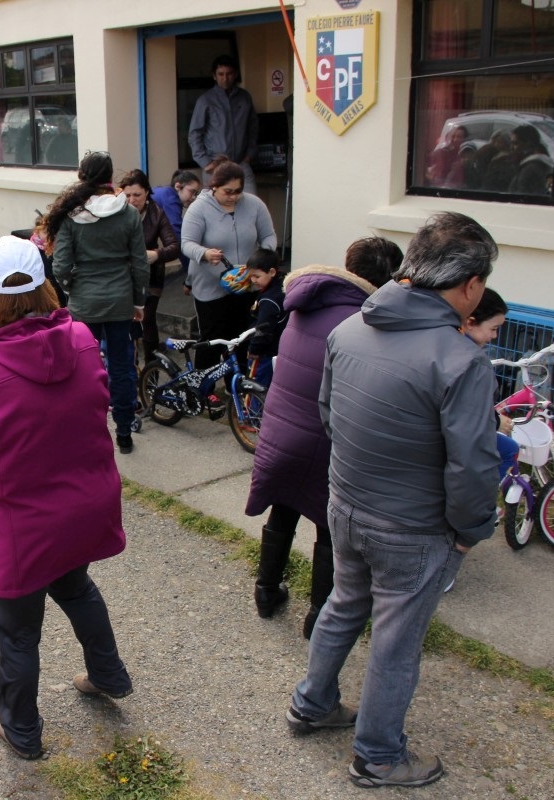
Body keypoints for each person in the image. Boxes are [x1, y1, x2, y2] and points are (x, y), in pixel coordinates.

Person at [287, 212, 500, 789]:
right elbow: (473, 466)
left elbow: (330, 415)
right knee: (396, 642)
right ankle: (378, 755)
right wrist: (471, 529)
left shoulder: (350, 328)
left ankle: (311, 703)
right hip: (413, 525)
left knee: (343, 603)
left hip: (346, 501)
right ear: (471, 285)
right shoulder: (460, 360)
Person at [0, 236, 133, 761]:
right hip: (83, 507)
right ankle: (108, 674)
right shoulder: (82, 339)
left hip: (21, 527)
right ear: (43, 286)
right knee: (77, 587)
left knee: (18, 629)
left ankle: (21, 726)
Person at [245, 236, 403, 638]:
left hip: (282, 428)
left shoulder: (307, 302)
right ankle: (318, 616)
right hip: (324, 437)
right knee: (328, 525)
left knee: (283, 507)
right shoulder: (366, 322)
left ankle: (266, 591)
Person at [44, 151, 148, 455]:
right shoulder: (128, 213)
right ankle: (124, 431)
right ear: (111, 177)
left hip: (84, 303)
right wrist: (138, 301)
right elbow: (140, 264)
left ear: (82, 176)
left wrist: (71, 289)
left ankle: (89, 429)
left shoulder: (72, 215)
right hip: (120, 301)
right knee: (122, 366)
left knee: (83, 368)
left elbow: (60, 265)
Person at [180, 156, 276, 374]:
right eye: (228, 191)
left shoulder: (254, 205)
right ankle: (204, 385)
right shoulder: (199, 209)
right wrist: (204, 253)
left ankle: (237, 384)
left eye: (238, 191)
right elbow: (186, 243)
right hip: (211, 287)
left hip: (245, 284)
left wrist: (263, 257)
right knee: (212, 340)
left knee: (242, 337)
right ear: (214, 186)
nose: (233, 196)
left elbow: (269, 235)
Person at [119, 169, 179, 356]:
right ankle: (132, 360)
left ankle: (152, 360)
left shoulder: (156, 213)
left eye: (137, 195)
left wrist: (156, 254)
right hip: (123, 273)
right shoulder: (115, 212)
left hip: (150, 274)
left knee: (147, 316)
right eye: (127, 195)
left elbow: (174, 246)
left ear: (147, 192)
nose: (132, 200)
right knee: (125, 319)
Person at [461, 288, 519, 480]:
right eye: (493, 329)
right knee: (509, 449)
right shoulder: (470, 360)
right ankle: (486, 494)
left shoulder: (448, 341)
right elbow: (467, 406)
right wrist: (494, 421)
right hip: (456, 440)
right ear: (470, 322)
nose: (494, 336)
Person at [188, 55, 259, 195]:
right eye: (221, 74)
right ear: (214, 76)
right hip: (215, 165)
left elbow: (253, 127)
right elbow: (195, 133)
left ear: (235, 74)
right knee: (216, 206)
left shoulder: (244, 97)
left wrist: (250, 154)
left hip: (241, 163)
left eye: (229, 74)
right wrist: (205, 162)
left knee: (252, 203)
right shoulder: (205, 100)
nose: (225, 78)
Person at [244, 247, 286, 387]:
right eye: (251, 276)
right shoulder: (282, 287)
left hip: (264, 353)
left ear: (272, 272)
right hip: (278, 350)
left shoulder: (269, 300)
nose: (253, 280)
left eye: (257, 276)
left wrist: (254, 350)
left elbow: (263, 328)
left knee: (256, 386)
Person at [151, 169, 201, 273]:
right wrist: (192, 269)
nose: (194, 197)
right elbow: (178, 235)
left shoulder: (165, 192)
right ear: (178, 186)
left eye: (196, 193)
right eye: (191, 191)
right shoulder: (171, 199)